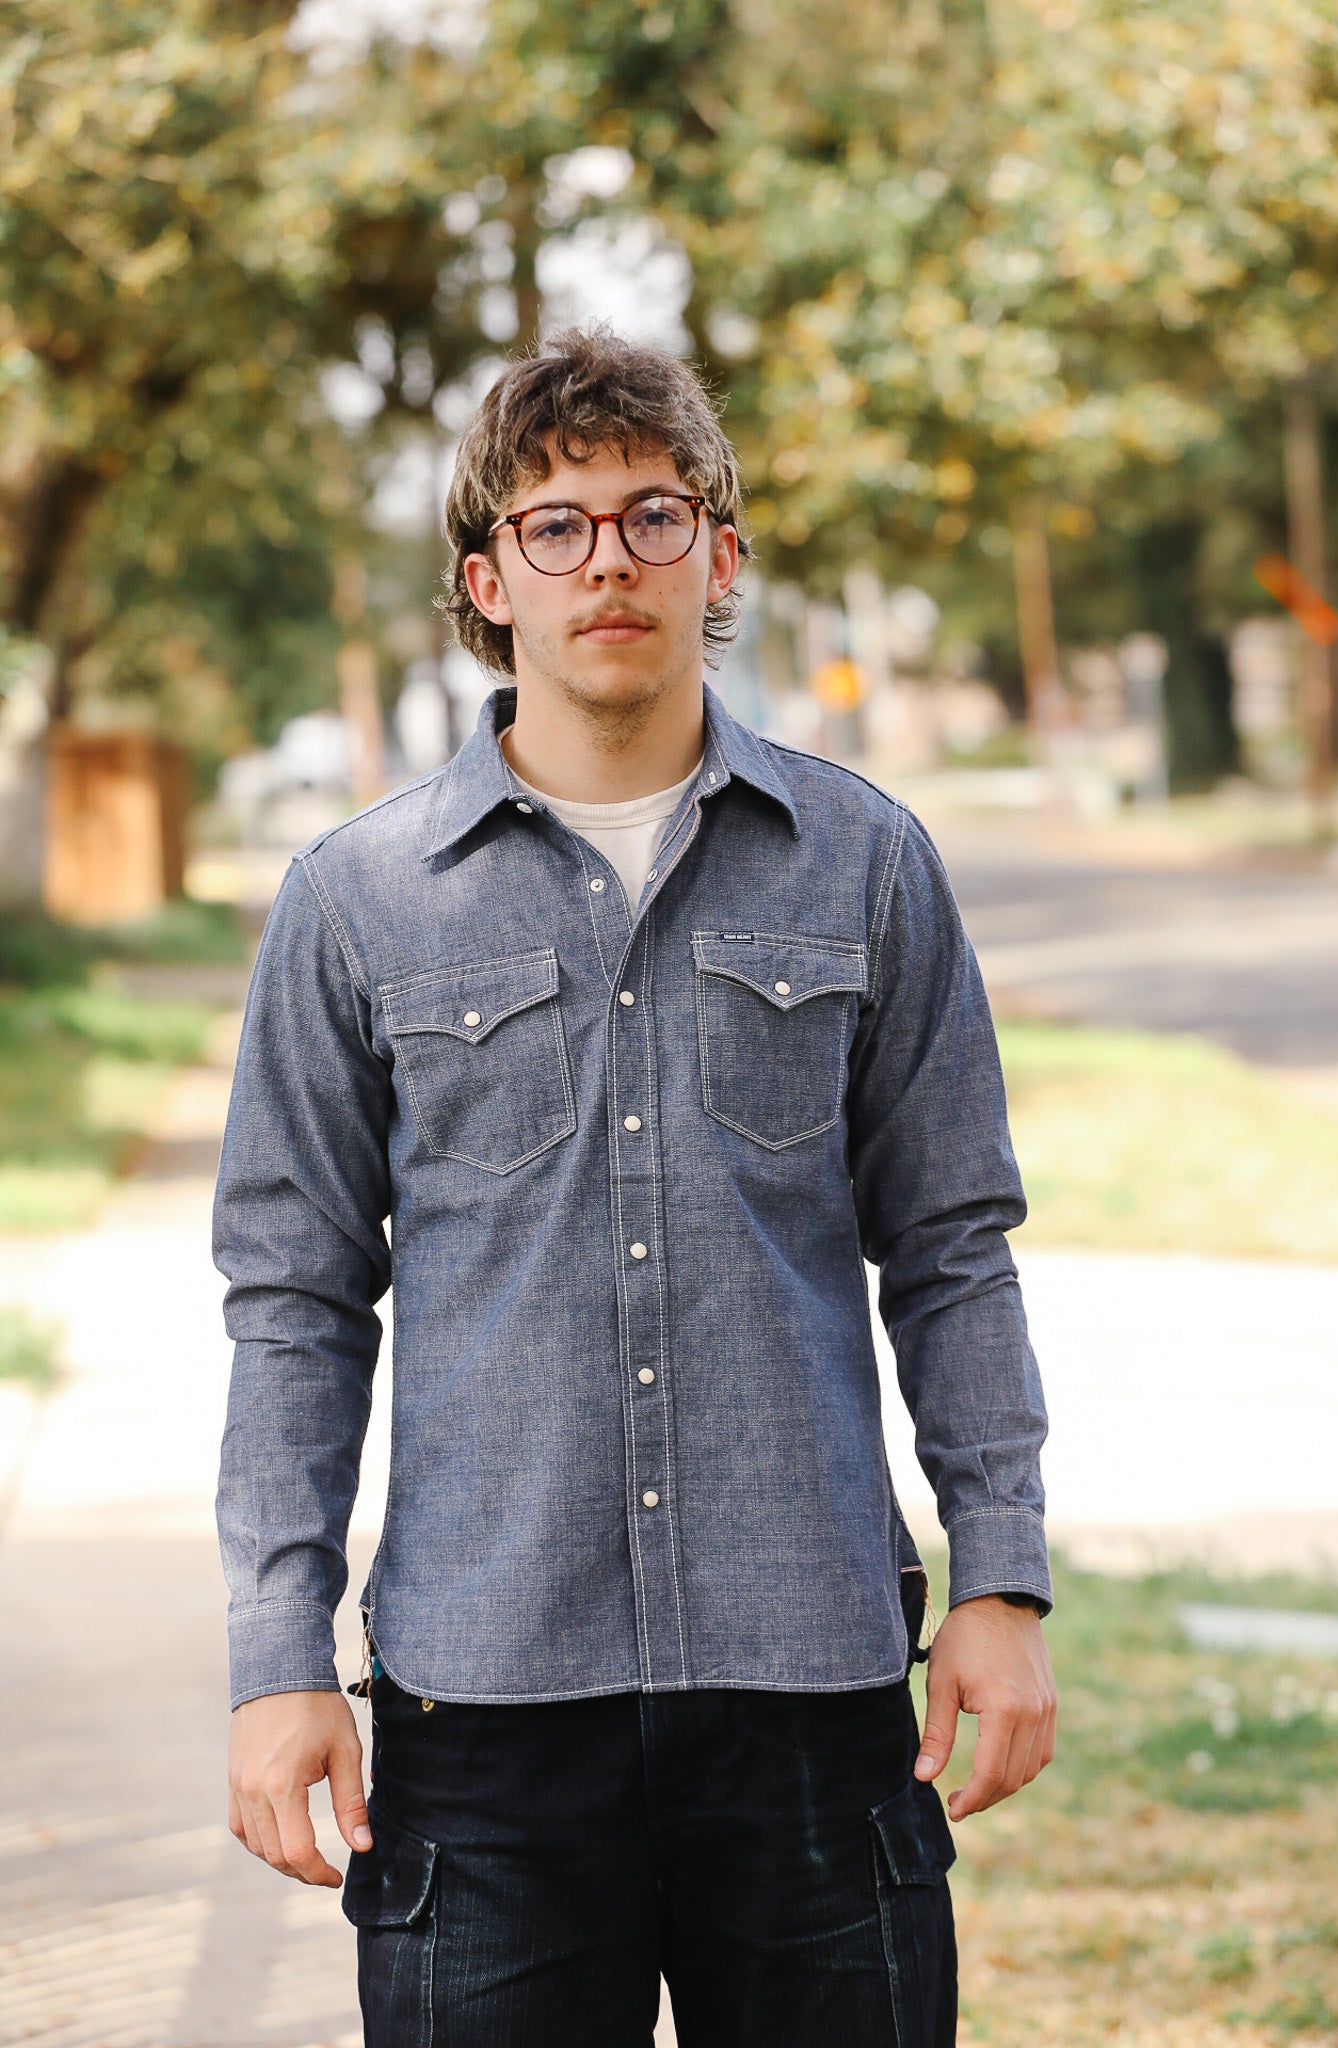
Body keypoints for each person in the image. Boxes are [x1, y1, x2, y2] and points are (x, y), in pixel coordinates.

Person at [214, 325, 1056, 2048]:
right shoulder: (357, 901)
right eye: (557, 524)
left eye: (654, 515)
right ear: (486, 579)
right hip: (487, 1714)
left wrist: (999, 1577)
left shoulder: (867, 861)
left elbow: (952, 1250)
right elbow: (295, 1306)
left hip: (813, 1695)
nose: (610, 558)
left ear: (720, 559)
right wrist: (277, 1651)